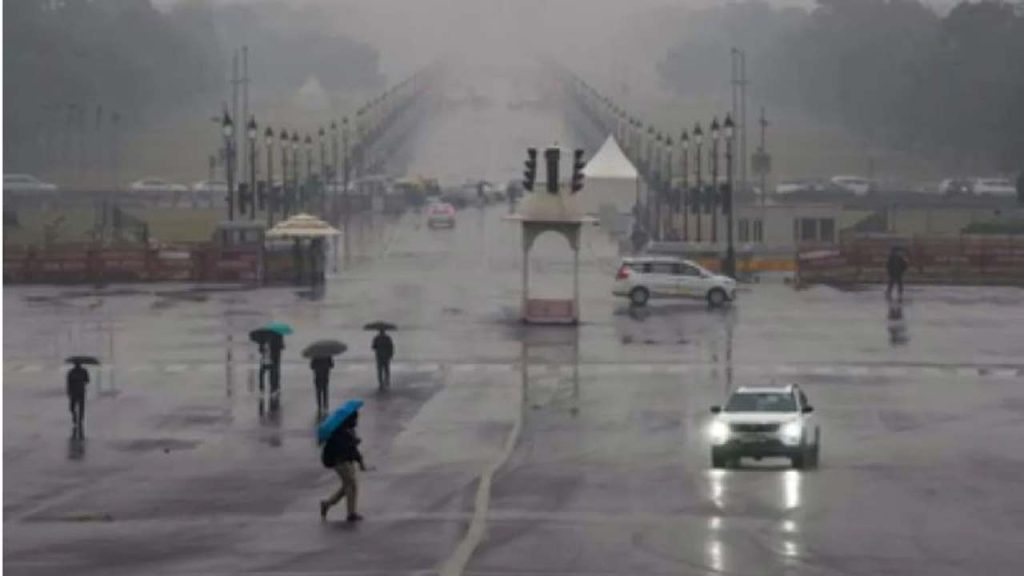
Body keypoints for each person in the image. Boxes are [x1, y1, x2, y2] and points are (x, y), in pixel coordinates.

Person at [320, 412, 367, 522]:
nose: (357, 421)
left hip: (346, 461)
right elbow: (348, 448)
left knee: (348, 486)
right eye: (355, 419)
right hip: (341, 462)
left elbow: (352, 448)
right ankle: (351, 514)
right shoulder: (340, 431)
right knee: (351, 485)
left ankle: (327, 504)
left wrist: (354, 443)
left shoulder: (348, 430)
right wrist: (353, 443)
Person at [66, 361, 90, 433]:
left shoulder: (71, 372)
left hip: (74, 391)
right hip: (80, 391)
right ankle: (79, 419)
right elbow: (87, 380)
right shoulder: (83, 371)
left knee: (73, 406)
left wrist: (69, 391)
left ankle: (76, 417)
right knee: (80, 406)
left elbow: (68, 383)